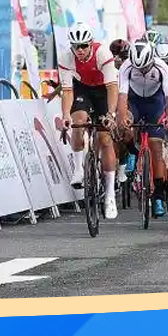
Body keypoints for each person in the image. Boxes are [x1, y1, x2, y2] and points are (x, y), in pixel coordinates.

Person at [57, 24, 120, 220]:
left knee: (105, 139)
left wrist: (110, 114)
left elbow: (112, 88)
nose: (80, 50)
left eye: (84, 45)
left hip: (103, 90)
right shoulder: (66, 58)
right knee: (78, 122)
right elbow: (67, 91)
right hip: (82, 88)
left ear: (91, 43)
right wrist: (66, 115)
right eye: (76, 46)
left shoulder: (102, 53)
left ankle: (109, 195)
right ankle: (78, 170)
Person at [116, 41, 168, 218]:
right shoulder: (126, 67)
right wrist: (122, 118)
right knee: (125, 126)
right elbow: (122, 97)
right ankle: (132, 152)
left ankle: (158, 196)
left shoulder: (161, 67)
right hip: (134, 102)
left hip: (155, 103)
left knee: (156, 147)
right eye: (138, 68)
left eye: (144, 68)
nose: (141, 71)